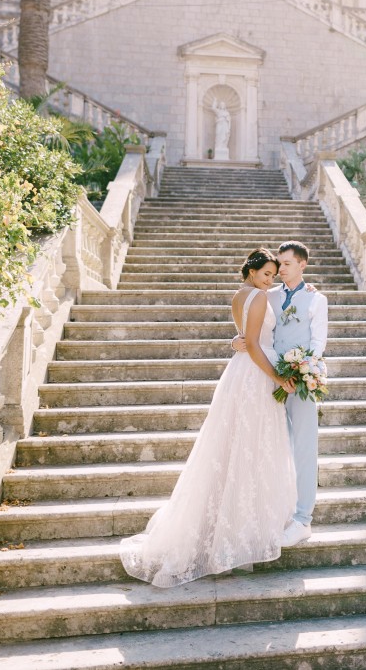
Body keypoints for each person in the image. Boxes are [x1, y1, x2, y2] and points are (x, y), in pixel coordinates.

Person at [120, 249, 295, 588]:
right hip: (257, 375)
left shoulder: (238, 296)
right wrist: (278, 378)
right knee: (250, 450)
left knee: (232, 450)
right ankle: (240, 538)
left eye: (274, 275)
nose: (270, 279)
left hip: (239, 375)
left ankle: (227, 531)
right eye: (266, 273)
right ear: (252, 270)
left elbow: (243, 339)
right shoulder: (258, 298)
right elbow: (255, 345)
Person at [235, 240, 329, 547]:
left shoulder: (317, 299)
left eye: (286, 263)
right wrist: (237, 342)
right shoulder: (267, 295)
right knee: (275, 446)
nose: (280, 269)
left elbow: (318, 344)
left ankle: (303, 519)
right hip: (268, 379)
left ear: (302, 265)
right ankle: (279, 510)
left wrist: (300, 371)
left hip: (300, 381)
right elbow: (254, 333)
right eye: (279, 264)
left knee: (304, 447)